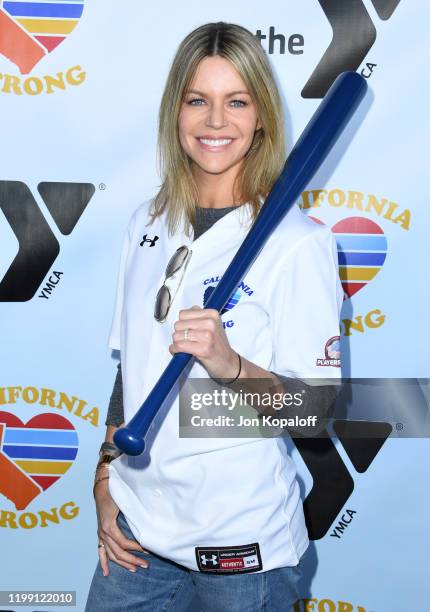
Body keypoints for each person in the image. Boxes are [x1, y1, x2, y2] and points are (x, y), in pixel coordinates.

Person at [85, 21, 343, 612]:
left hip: (241, 550)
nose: (215, 122)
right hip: (137, 537)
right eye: (198, 100)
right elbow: (132, 374)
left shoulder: (296, 243)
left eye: (237, 102)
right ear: (176, 111)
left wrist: (229, 365)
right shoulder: (147, 222)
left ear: (261, 118)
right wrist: (104, 480)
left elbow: (315, 412)